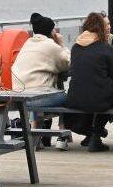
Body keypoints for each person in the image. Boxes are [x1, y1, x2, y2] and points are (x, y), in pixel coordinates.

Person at [64, 12, 113, 152]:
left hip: (75, 98)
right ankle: (96, 134)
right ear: (101, 29)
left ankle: (91, 133)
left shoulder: (75, 47)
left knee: (92, 89)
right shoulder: (107, 48)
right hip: (99, 100)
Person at [12, 13, 71, 150]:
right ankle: (62, 136)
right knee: (67, 96)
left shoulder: (28, 43)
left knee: (38, 91)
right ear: (51, 31)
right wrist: (61, 44)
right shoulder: (50, 45)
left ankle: (35, 140)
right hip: (35, 98)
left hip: (20, 95)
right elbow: (67, 63)